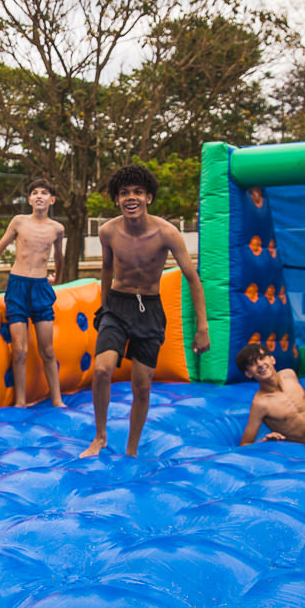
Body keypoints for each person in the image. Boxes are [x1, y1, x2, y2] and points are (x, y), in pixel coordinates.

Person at [80, 165, 210, 458]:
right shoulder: (108, 231)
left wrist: (203, 327)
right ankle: (99, 437)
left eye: (137, 192)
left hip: (149, 309)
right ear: (117, 199)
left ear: (148, 197)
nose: (131, 198)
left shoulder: (167, 233)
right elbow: (106, 268)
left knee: (141, 386)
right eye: (124, 193)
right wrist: (104, 308)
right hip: (117, 305)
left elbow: (192, 278)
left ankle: (131, 450)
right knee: (101, 370)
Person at [0, 179, 66, 407]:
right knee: (19, 350)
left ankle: (57, 400)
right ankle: (20, 401)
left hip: (40, 288)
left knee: (47, 350)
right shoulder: (19, 222)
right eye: (34, 193)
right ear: (29, 199)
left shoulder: (57, 229)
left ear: (52, 200)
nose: (39, 196)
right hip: (18, 286)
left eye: (44, 193)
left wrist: (57, 278)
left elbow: (59, 257)